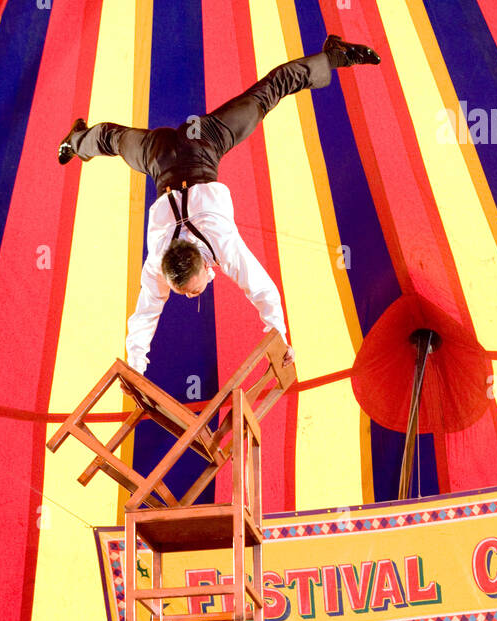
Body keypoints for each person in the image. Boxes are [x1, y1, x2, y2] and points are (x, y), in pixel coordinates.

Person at [58, 36, 380, 376]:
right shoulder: (157, 262)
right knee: (117, 139)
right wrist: (135, 367)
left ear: (201, 263)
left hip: (196, 148)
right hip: (164, 153)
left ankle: (335, 56)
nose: (191, 295)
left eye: (191, 289)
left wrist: (280, 336)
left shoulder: (219, 244)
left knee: (267, 94)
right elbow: (146, 313)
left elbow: (261, 288)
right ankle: (77, 138)